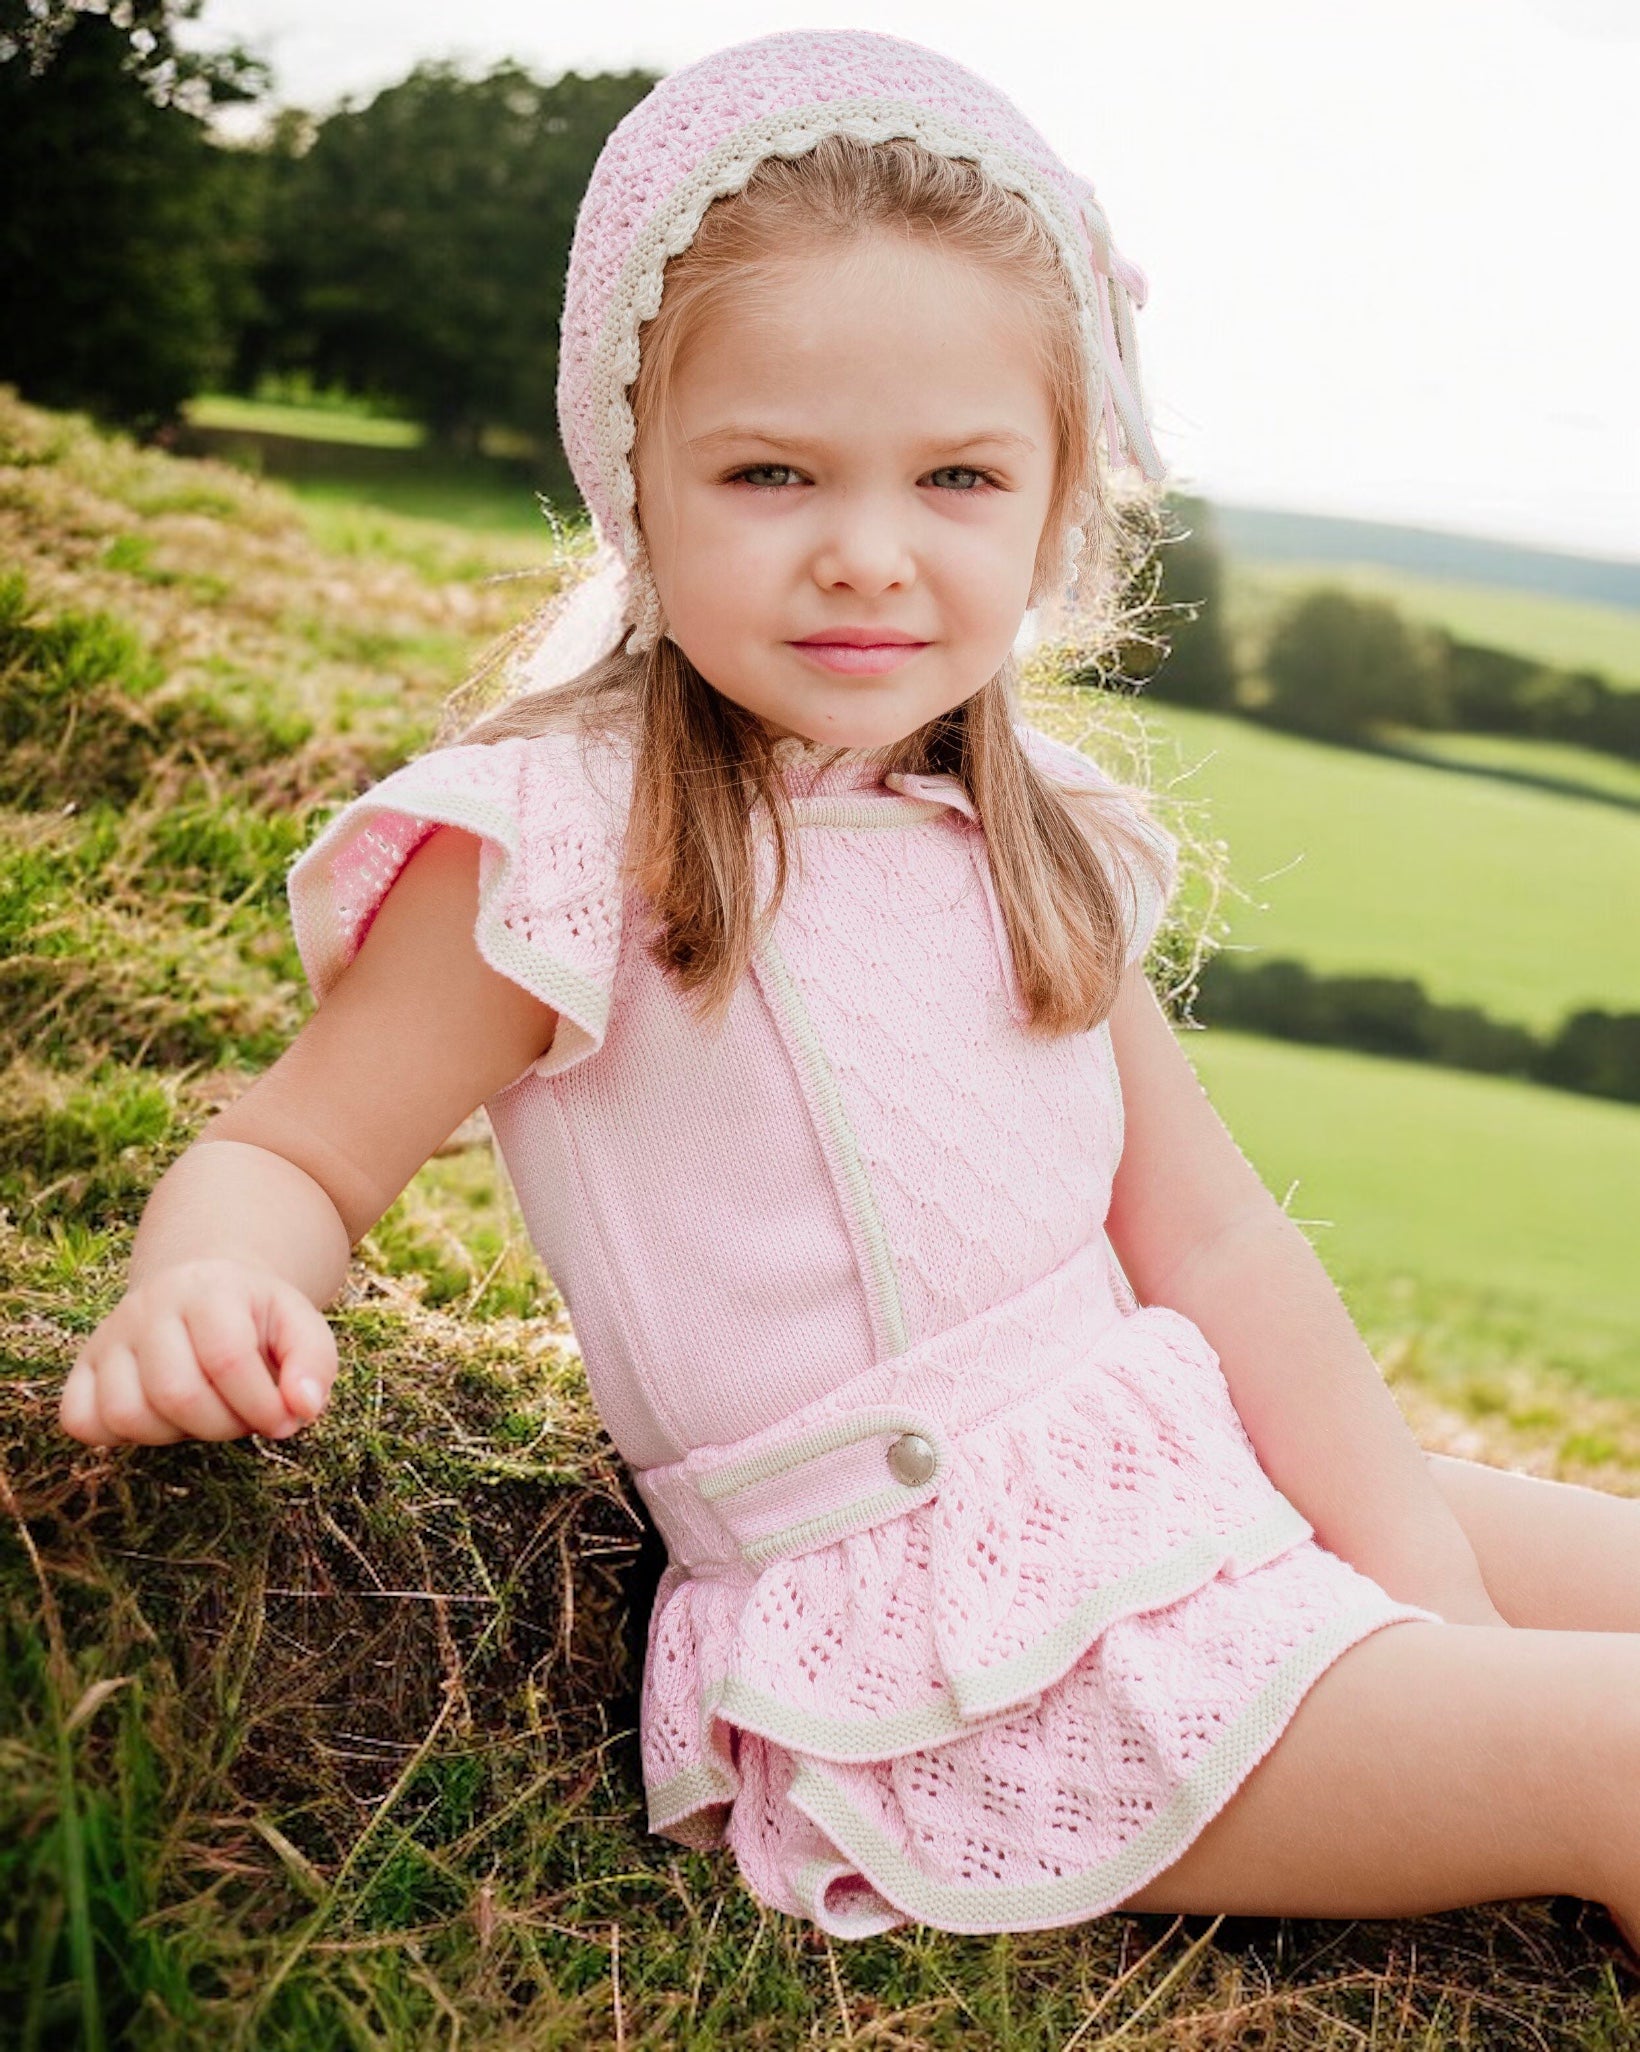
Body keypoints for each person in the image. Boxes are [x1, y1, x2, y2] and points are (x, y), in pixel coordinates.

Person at [56, 28, 1640, 1952]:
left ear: (1057, 498)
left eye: (958, 475)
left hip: (1164, 1478)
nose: (867, 555)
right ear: (634, 480)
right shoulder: (563, 838)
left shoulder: (1028, 827)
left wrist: (1420, 1587)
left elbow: (1217, 1250)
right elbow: (296, 1152)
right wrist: (209, 1278)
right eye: (771, 472)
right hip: (950, 1650)